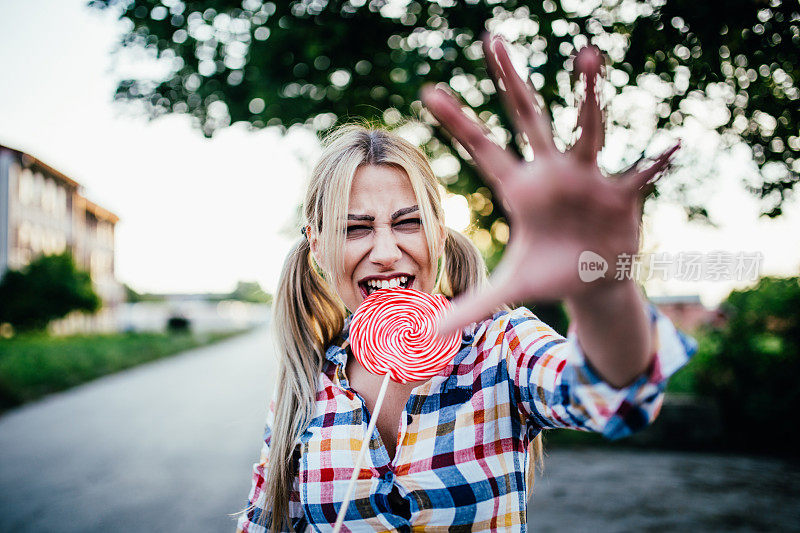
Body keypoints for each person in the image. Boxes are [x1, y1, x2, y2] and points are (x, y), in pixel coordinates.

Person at [234, 36, 697, 532]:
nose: (387, 251)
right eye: (356, 227)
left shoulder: (500, 345)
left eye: (408, 222)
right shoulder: (308, 385)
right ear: (317, 244)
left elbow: (613, 398)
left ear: (438, 230)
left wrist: (602, 289)